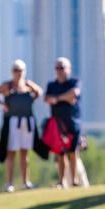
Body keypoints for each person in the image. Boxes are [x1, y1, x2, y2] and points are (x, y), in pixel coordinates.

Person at [0, 59, 44, 192]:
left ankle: (26, 182)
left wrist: (31, 87)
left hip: (27, 122)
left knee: (25, 153)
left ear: (24, 72)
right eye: (15, 70)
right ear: (12, 72)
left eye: (20, 70)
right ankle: (9, 183)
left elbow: (40, 93)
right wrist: (2, 104)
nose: (18, 73)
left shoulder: (28, 86)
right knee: (11, 153)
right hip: (12, 122)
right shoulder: (8, 86)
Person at [44, 57, 83, 189]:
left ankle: (74, 180)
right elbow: (47, 99)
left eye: (62, 67)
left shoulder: (74, 82)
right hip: (57, 124)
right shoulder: (51, 85)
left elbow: (74, 93)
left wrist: (58, 98)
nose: (60, 70)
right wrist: (65, 98)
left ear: (69, 69)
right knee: (60, 154)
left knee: (73, 152)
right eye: (58, 68)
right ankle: (62, 181)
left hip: (73, 122)